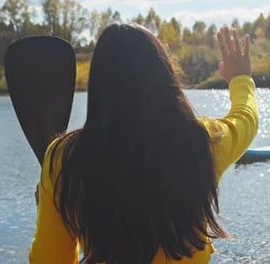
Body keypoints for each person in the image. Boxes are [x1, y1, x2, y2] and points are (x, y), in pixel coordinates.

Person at [29, 23, 258, 264]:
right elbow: (246, 118)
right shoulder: (203, 142)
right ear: (164, 76)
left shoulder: (65, 158)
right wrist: (240, 78)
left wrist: (55, 209)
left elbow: (49, 260)